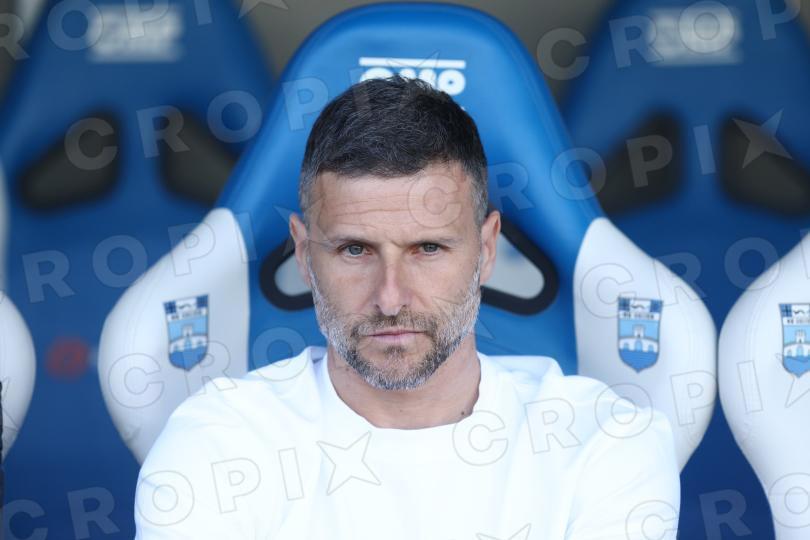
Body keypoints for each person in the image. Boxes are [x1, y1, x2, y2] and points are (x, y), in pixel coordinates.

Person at [134, 75, 680, 539]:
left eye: (428, 249)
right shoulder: (219, 442)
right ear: (303, 255)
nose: (390, 298)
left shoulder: (605, 443)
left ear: (487, 250)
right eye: (355, 250)